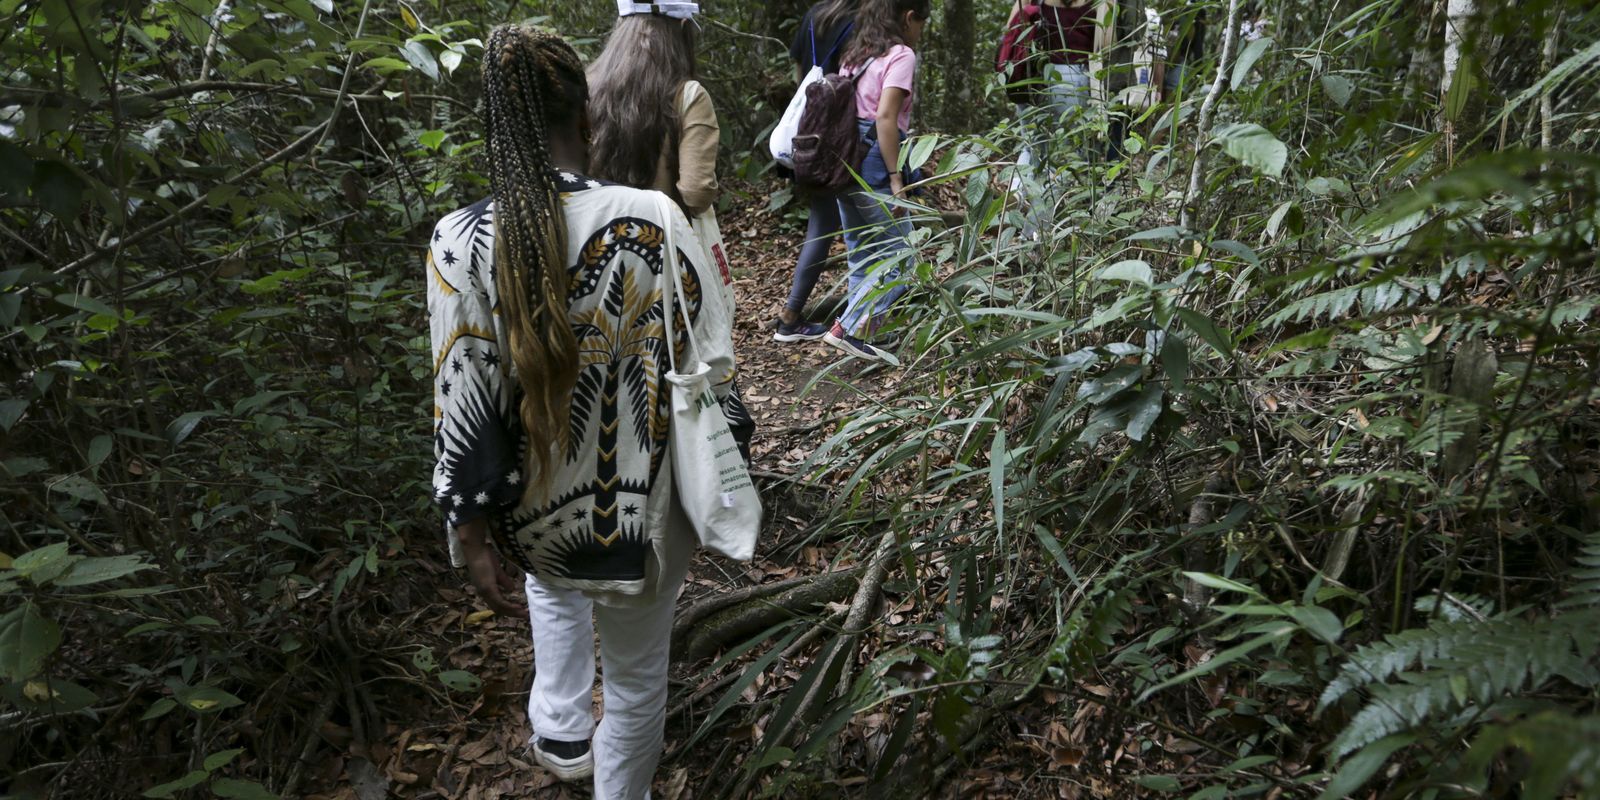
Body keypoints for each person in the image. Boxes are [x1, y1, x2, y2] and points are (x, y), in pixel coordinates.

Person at [426, 24, 738, 799]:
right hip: (647, 515)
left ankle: (560, 736)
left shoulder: (459, 239)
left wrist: (469, 533)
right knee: (636, 684)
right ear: (586, 117)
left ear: (493, 130)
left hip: (536, 517)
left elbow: (461, 395)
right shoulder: (656, 218)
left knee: (554, 589)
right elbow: (713, 364)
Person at [819, 0, 933, 366]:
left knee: (863, 253)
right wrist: (896, 176)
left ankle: (860, 334)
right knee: (904, 256)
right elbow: (886, 118)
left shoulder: (857, 54)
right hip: (874, 158)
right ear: (908, 17)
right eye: (922, 24)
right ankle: (849, 330)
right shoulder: (901, 55)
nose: (921, 33)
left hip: (844, 156)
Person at [773, 0, 859, 344]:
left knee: (823, 221)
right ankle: (791, 316)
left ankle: (799, 314)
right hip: (837, 133)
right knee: (828, 226)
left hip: (808, 129)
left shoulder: (814, 17)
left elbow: (798, 71)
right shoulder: (857, 22)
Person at [587, 1, 719, 219]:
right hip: (661, 241)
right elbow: (697, 194)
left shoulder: (588, 86)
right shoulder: (688, 95)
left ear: (620, 23)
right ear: (683, 25)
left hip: (599, 238)